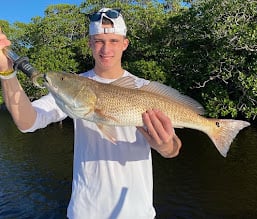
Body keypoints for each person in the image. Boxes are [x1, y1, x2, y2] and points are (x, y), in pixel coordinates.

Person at [0, 8, 182, 219]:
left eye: (113, 40)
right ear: (89, 44)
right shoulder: (72, 88)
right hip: (84, 212)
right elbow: (27, 122)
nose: (106, 49)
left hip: (137, 213)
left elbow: (173, 149)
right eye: (98, 41)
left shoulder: (144, 89)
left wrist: (165, 145)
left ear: (125, 43)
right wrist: (6, 72)